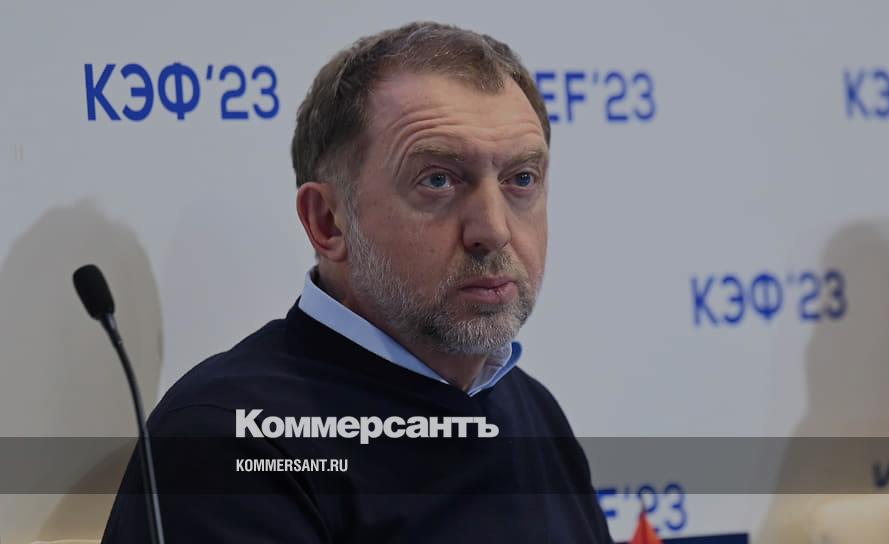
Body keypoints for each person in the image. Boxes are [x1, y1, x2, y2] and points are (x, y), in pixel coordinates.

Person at [101, 21, 612, 543]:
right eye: (438, 180)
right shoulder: (228, 439)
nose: (493, 230)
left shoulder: (533, 411)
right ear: (327, 222)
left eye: (521, 179)